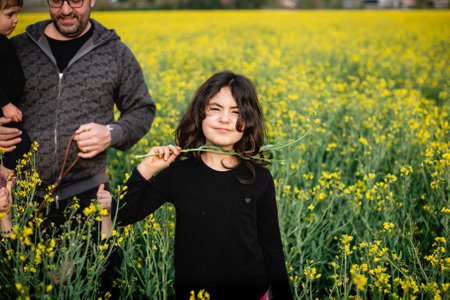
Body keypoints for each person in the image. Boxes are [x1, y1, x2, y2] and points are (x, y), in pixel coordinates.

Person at [117, 71, 293, 300]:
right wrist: (146, 170)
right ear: (199, 114)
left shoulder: (260, 178)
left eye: (236, 112)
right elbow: (123, 216)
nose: (225, 119)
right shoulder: (179, 174)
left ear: (248, 122)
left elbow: (271, 247)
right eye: (215, 109)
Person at [6, 0, 155, 219]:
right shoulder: (18, 47)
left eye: (76, 1)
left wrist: (110, 133)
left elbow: (142, 110)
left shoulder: (115, 52)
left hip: (89, 197)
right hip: (19, 197)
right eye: (57, 1)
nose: (65, 10)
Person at [0, 0, 31, 182]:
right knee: (19, 142)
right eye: (10, 15)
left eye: (17, 14)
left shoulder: (4, 41)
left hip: (10, 106)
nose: (16, 20)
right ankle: (5, 180)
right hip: (4, 109)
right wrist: (5, 104)